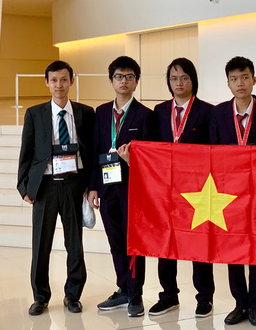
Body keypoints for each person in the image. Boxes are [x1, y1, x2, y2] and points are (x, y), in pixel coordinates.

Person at [17, 60, 95, 316]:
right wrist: (24, 187)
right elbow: (26, 152)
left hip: (74, 185)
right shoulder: (35, 114)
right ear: (47, 83)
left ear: (71, 81)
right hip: (45, 187)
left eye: (63, 80)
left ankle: (73, 295)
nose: (59, 85)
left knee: (75, 244)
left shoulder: (85, 113)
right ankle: (40, 297)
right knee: (41, 244)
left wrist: (90, 184)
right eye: (53, 80)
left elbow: (92, 151)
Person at [210, 56, 256, 327]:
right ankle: (240, 303)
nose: (240, 83)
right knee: (233, 249)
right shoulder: (218, 114)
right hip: (228, 195)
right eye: (234, 79)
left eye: (245, 77)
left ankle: (255, 305)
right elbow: (211, 154)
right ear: (228, 83)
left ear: (254, 79)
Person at [148, 58, 216, 318]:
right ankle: (168, 296)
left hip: (199, 189)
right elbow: (152, 148)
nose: (179, 83)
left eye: (184, 78)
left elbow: (215, 152)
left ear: (193, 81)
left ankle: (205, 297)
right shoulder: (159, 111)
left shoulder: (208, 111)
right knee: (166, 242)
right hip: (166, 189)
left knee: (199, 244)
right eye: (174, 78)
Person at [88, 56, 151, 317]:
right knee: (115, 241)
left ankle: (136, 294)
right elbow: (95, 149)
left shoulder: (145, 115)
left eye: (129, 76)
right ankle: (123, 288)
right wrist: (92, 187)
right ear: (111, 80)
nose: (123, 81)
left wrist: (131, 160)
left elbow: (151, 157)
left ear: (136, 81)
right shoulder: (101, 112)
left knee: (133, 243)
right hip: (106, 188)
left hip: (133, 190)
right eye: (118, 76)